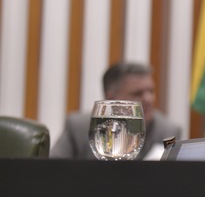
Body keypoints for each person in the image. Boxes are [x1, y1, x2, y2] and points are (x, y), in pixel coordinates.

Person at [50, 62, 181, 160]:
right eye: (137, 93)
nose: (148, 99)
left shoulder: (169, 131)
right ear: (110, 98)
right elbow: (54, 169)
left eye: (151, 92)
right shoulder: (79, 127)